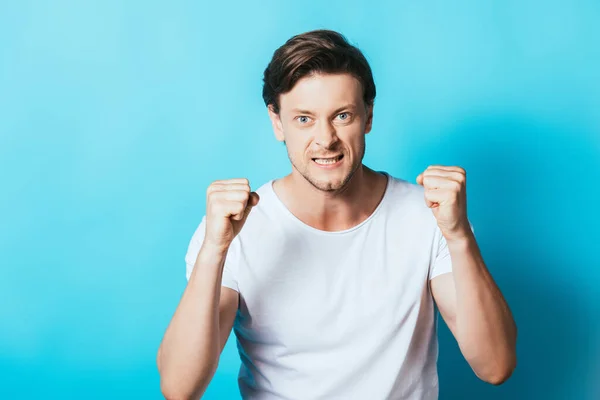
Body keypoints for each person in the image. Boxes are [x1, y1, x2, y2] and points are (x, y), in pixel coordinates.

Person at [157, 29, 517, 400]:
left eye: (342, 116)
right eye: (304, 119)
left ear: (368, 115)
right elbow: (180, 388)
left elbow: (495, 366)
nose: (325, 138)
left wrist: (459, 237)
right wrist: (214, 250)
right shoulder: (234, 230)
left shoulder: (431, 218)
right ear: (277, 122)